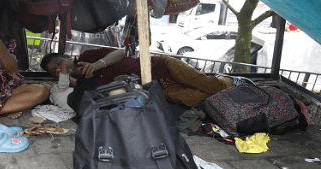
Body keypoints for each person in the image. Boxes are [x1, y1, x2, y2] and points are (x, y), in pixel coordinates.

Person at [41, 47, 234, 112]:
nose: (59, 69)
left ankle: (229, 82)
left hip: (162, 66)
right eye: (55, 71)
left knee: (210, 85)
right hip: (157, 86)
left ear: (66, 56)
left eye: (59, 63)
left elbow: (121, 51)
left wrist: (98, 64)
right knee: (197, 100)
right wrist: (69, 77)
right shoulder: (85, 86)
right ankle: (233, 96)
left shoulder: (89, 54)